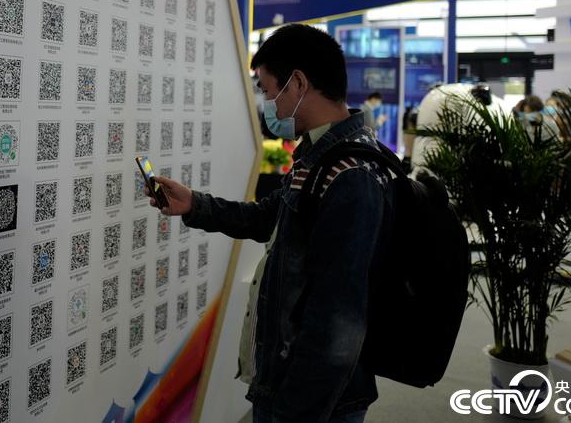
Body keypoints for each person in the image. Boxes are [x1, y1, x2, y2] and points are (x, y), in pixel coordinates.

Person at [148, 24, 393, 423]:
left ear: (297, 83)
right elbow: (268, 217)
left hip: (312, 404)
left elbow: (338, 327)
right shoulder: (321, 157)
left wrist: (292, 412)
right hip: (287, 386)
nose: (266, 104)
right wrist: (194, 204)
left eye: (265, 89)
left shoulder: (350, 175)